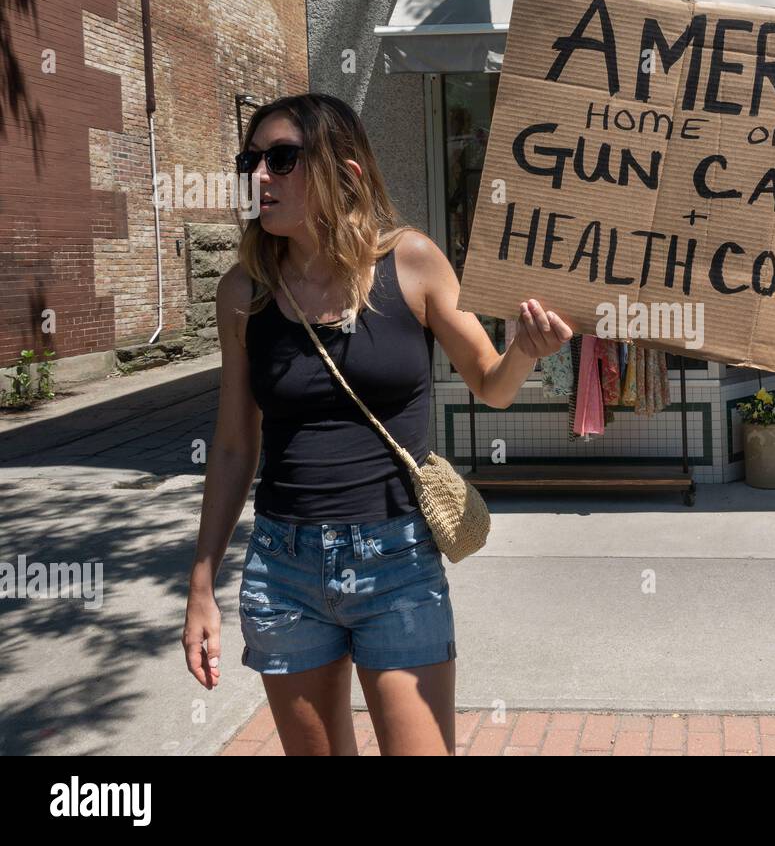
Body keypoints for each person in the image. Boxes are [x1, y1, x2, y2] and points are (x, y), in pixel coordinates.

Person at [181, 93, 571, 755]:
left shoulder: (410, 262)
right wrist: (201, 588)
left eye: (282, 159)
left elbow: (490, 383)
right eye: (251, 161)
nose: (260, 176)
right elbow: (231, 446)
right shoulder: (243, 294)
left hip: (398, 563)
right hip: (285, 566)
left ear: (347, 173)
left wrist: (525, 353)